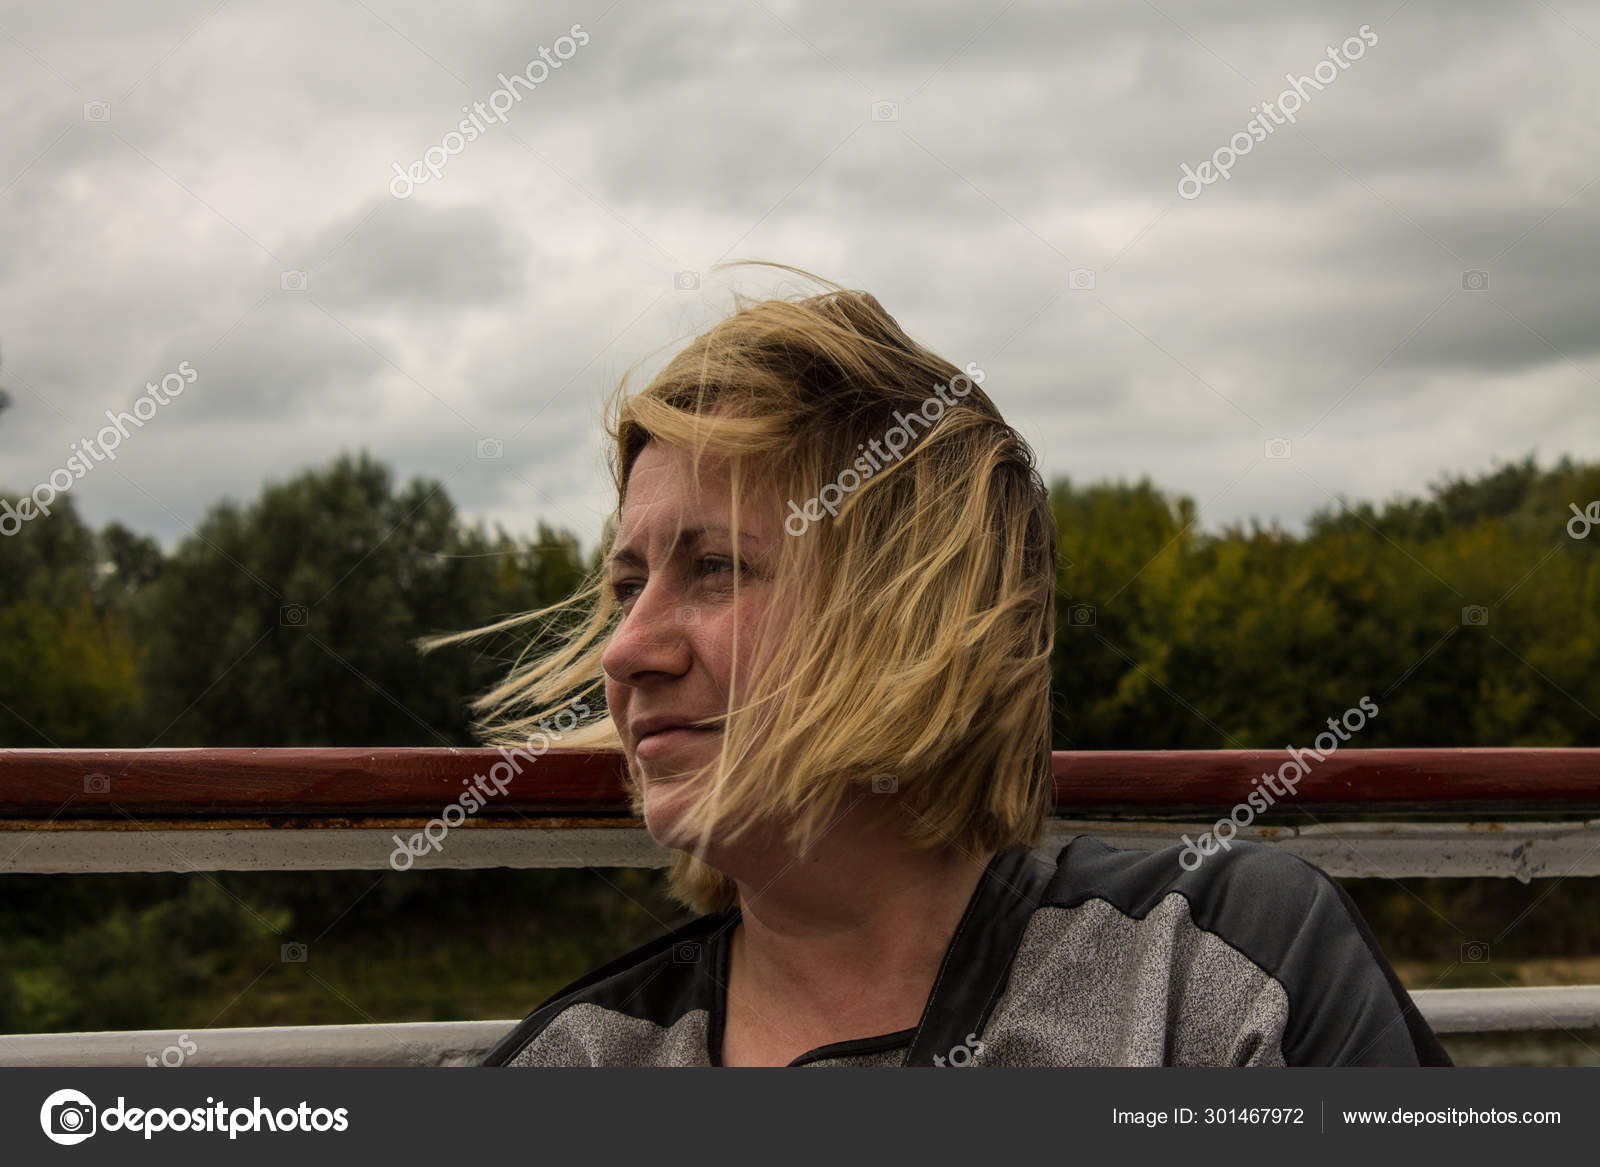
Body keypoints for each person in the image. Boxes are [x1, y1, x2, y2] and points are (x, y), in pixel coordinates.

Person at [440, 263, 1450, 1067]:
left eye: (714, 568)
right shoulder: (579, 1063)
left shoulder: (1215, 968)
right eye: (626, 587)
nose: (625, 651)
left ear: (914, 613)